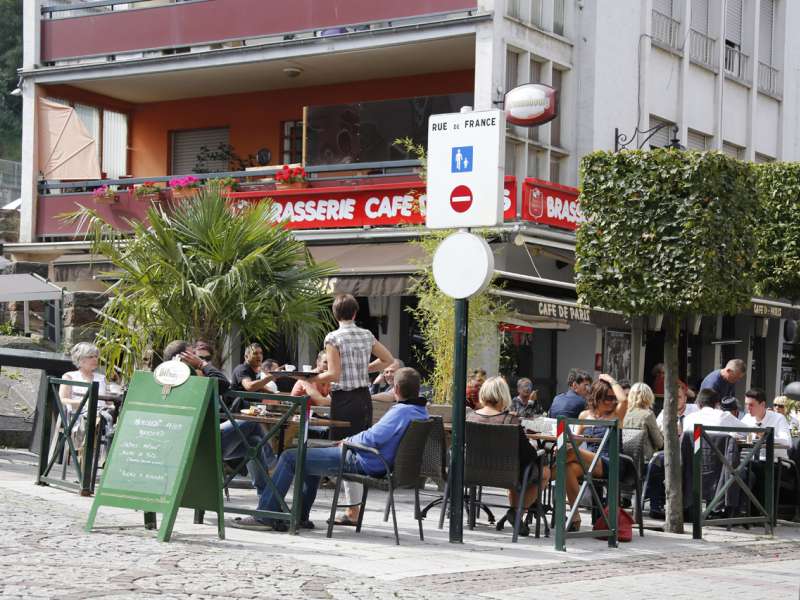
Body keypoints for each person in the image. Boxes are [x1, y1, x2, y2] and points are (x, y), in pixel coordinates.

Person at [230, 367, 427, 531]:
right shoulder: (420, 412)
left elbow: (372, 437)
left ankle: (266, 515)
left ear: (397, 388)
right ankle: (299, 516)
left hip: (364, 460)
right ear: (417, 390)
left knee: (290, 456)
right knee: (309, 450)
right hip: (377, 462)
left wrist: (346, 440)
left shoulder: (401, 412)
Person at [311, 293, 394, 525]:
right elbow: (388, 359)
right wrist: (362, 368)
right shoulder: (366, 334)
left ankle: (352, 512)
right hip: (363, 399)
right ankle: (354, 510)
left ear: (334, 315)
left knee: (344, 453)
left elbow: (334, 374)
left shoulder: (333, 337)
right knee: (357, 451)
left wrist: (310, 378)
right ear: (355, 313)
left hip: (344, 400)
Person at [165, 340, 275, 495]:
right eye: (194, 356)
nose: (199, 360)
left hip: (199, 442)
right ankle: (273, 465)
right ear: (184, 357)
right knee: (251, 422)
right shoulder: (189, 376)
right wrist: (203, 365)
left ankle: (266, 499)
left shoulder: (166, 378)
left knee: (254, 444)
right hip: (204, 445)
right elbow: (224, 384)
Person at [467, 376, 549, 536]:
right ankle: (516, 513)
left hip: (474, 473)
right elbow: (528, 454)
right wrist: (539, 452)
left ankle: (515, 512)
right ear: (504, 395)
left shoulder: (470, 417)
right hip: (506, 474)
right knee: (544, 472)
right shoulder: (510, 420)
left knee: (519, 469)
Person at [558, 374, 628, 530]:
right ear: (596, 398)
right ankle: (575, 516)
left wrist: (611, 380)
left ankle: (544, 476)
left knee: (567, 454)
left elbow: (624, 400)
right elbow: (576, 442)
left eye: (612, 397)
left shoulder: (616, 415)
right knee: (567, 468)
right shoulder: (585, 415)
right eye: (607, 398)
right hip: (590, 463)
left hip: (611, 462)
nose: (612, 401)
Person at [59, 342, 113, 453]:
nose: (95, 359)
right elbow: (63, 399)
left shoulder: (102, 378)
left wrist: (111, 405)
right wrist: (83, 403)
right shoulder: (70, 376)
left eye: (96, 356)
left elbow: (109, 401)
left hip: (102, 416)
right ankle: (86, 446)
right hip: (78, 415)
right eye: (90, 357)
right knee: (91, 419)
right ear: (80, 359)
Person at [741, 388, 792, 456]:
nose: (748, 408)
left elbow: (787, 443)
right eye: (746, 404)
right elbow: (737, 435)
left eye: (751, 405)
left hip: (775, 462)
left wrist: (765, 436)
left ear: (762, 404)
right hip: (750, 461)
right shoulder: (747, 418)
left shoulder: (779, 418)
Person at [622, 382, 664, 462]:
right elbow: (659, 443)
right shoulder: (648, 415)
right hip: (645, 461)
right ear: (648, 397)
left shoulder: (623, 413)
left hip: (626, 460)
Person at [230, 343, 278, 409]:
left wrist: (275, 394)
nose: (259, 356)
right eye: (255, 353)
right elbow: (249, 386)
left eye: (261, 353)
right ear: (246, 357)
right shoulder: (241, 369)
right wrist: (270, 376)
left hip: (253, 409)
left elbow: (260, 386)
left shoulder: (255, 371)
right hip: (239, 413)